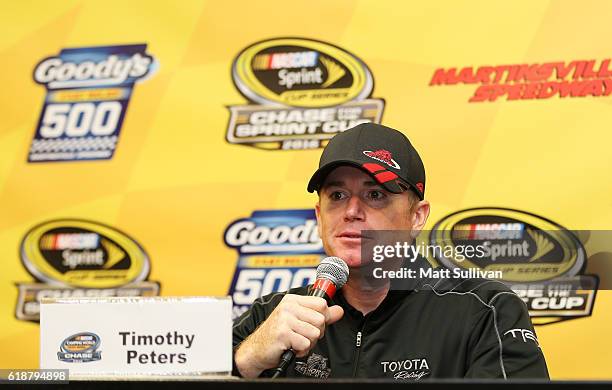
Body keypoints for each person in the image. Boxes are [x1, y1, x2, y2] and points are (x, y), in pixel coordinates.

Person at [232, 123, 549, 379]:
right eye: (338, 194)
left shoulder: (486, 312)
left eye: (375, 194)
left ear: (417, 216)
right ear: (318, 215)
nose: (352, 211)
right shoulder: (270, 315)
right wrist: (248, 360)